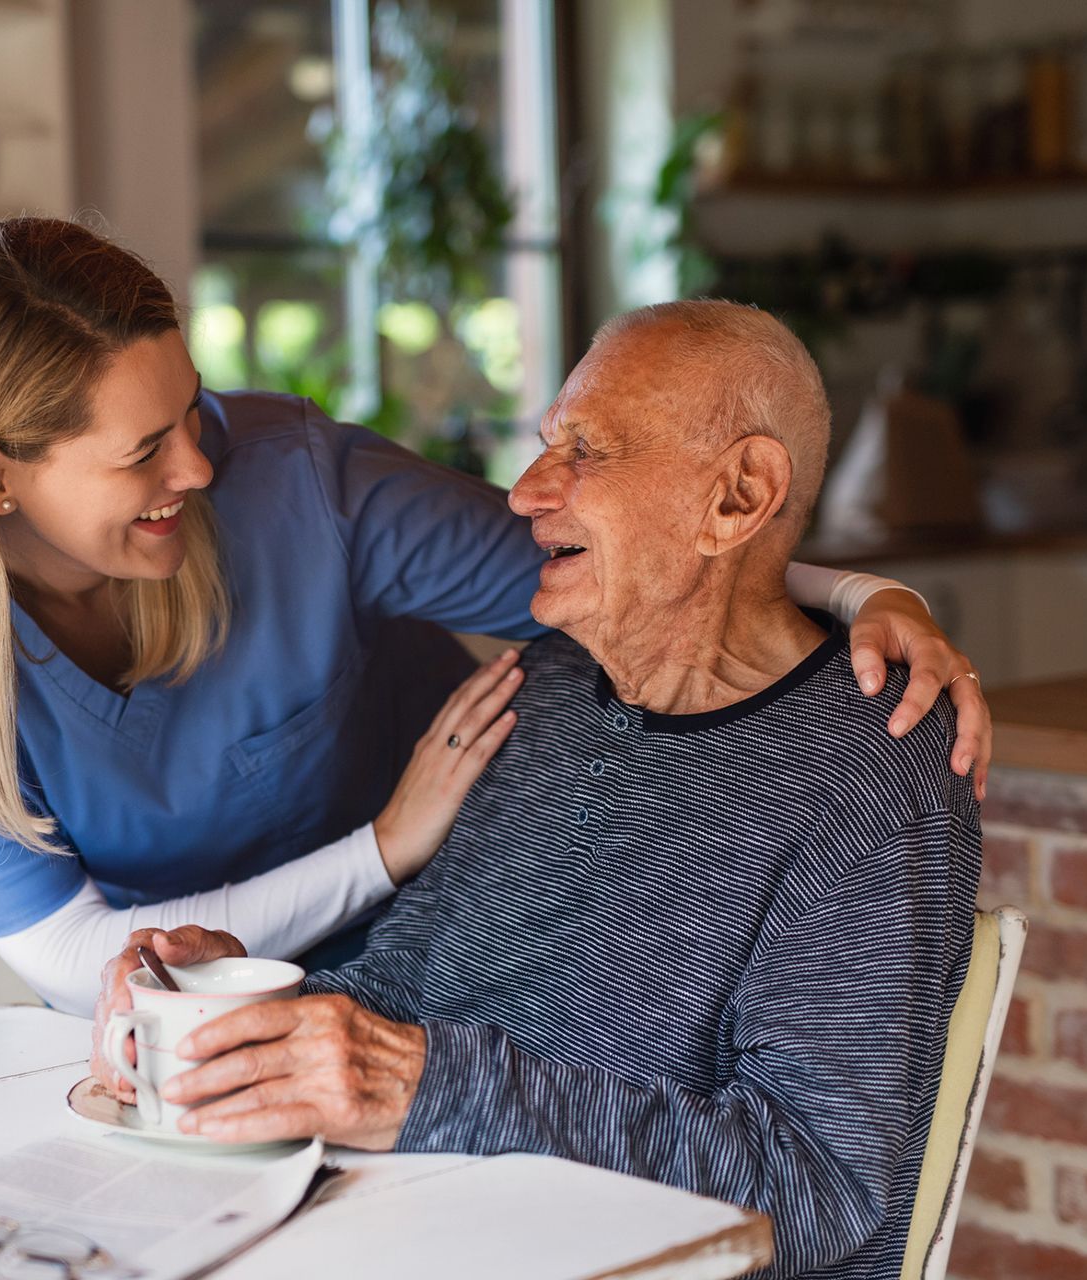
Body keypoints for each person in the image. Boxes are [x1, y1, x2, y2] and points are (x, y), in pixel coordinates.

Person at [0, 216, 993, 1016]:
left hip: (451, 975)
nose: (198, 459)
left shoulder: (294, 484)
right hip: (194, 1017)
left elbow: (631, 561)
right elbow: (79, 962)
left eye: (193, 406)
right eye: (144, 450)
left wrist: (866, 594)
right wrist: (384, 843)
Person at [103, 301, 982, 1279]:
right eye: (543, 446)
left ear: (737, 496)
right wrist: (239, 1011)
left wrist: (427, 1086)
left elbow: (817, 1184)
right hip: (427, 1236)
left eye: (586, 451)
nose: (524, 493)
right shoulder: (548, 684)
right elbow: (404, 992)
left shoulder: (869, 757)